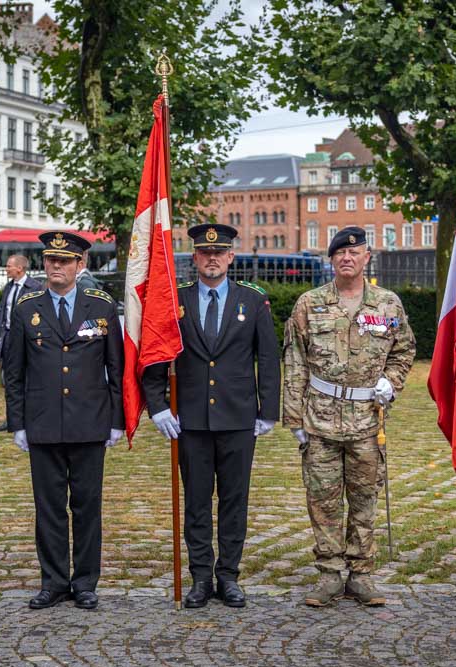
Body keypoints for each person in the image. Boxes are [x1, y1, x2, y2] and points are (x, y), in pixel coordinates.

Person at [142, 223, 280, 609]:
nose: (212, 258)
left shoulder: (252, 300)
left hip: (238, 419)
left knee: (235, 501)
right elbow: (156, 356)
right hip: (192, 421)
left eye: (220, 253)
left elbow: (267, 358)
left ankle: (229, 576)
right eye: (205, 253)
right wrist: (157, 405)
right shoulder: (176, 301)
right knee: (198, 502)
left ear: (231, 257)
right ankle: (201, 577)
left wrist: (267, 410)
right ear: (195, 257)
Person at [282, 226, 415, 607]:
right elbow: (294, 362)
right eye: (340, 252)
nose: (347, 258)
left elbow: (404, 351)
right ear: (331, 260)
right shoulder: (310, 304)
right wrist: (294, 420)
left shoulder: (388, 305)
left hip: (367, 421)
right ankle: (328, 574)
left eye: (354, 252)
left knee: (364, 499)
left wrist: (392, 381)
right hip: (320, 419)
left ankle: (361, 574)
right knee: (323, 500)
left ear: (367, 257)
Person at [3, 231, 124, 610]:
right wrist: (17, 423)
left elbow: (115, 368)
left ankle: (85, 581)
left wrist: (117, 421)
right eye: (52, 260)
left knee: (88, 506)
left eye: (66, 261)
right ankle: (54, 581)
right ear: (44, 264)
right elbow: (14, 371)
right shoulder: (26, 307)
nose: (57, 267)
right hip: (44, 423)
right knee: (49, 506)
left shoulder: (101, 307)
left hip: (90, 422)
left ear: (80, 265)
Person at [0, 255, 42, 432]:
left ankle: (29, 417)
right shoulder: (8, 287)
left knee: (28, 380)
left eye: (9, 266)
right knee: (10, 379)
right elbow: (2, 314)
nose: (6, 269)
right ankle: (11, 418)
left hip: (27, 341)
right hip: (8, 338)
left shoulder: (35, 287)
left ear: (20, 268)